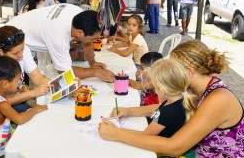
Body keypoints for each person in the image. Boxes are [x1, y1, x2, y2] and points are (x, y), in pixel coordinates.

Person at [98, 40, 244, 157]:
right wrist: (130, 111)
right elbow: (172, 108)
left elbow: (175, 147)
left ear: (189, 72)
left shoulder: (218, 99)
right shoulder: (199, 88)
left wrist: (117, 134)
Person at [100, 59, 197, 153]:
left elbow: (145, 136)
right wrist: (128, 112)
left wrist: (115, 131)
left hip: (159, 152)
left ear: (162, 90)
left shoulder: (167, 111)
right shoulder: (180, 100)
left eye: (155, 86)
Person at [7, 4, 115, 82]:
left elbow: (86, 42)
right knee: (13, 80)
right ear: (80, 32)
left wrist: (92, 62)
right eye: (92, 39)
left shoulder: (78, 14)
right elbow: (64, 72)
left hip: (24, 30)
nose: (92, 42)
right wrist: (96, 72)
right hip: (11, 40)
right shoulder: (58, 36)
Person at [0, 56, 48, 158]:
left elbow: (10, 102)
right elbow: (20, 119)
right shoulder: (1, 104)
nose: (17, 85)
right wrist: (35, 109)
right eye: (16, 81)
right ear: (5, 83)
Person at [0, 26, 51, 112]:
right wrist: (32, 93)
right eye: (15, 53)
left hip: (18, 98)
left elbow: (39, 79)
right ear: (1, 52)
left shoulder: (21, 50)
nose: (21, 55)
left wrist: (59, 85)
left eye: (22, 50)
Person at [129, 52, 163, 124]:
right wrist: (141, 74)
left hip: (152, 116)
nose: (140, 69)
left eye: (142, 68)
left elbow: (138, 86)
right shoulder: (149, 77)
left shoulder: (155, 82)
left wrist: (126, 79)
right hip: (145, 109)